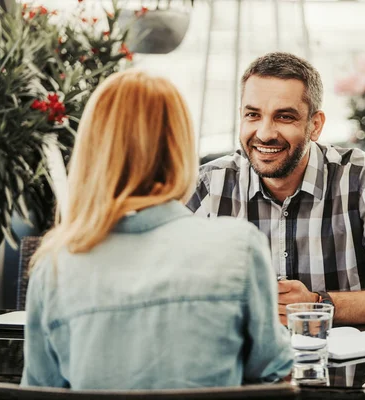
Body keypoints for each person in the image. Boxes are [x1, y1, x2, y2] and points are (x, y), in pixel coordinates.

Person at [21, 69, 293, 389]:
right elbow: (273, 370)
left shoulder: (54, 266)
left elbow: (41, 390)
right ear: (180, 147)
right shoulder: (240, 248)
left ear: (91, 149)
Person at [187, 52, 365, 326]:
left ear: (315, 125)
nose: (264, 133)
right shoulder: (208, 186)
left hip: (339, 367)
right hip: (238, 365)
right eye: (253, 115)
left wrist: (317, 304)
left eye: (284, 117)